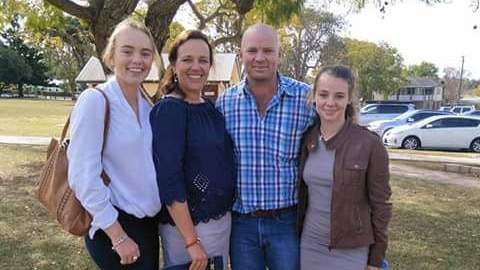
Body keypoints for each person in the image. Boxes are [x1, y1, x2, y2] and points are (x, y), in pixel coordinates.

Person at [215, 24, 316, 270]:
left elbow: (336, 139)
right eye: (252, 50)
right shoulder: (225, 103)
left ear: (280, 55)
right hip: (242, 224)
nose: (259, 58)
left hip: (287, 222)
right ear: (240, 55)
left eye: (268, 51)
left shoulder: (306, 99)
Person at [67, 18, 162, 269]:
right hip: (115, 227)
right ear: (111, 56)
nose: (137, 60)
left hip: (147, 226)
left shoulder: (148, 105)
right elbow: (82, 176)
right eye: (127, 51)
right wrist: (118, 236)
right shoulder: (96, 101)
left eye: (145, 53)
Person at [150, 30, 236, 270]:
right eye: (187, 59)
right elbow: (169, 179)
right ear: (174, 66)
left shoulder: (209, 107)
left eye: (203, 60)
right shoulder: (169, 110)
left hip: (220, 223)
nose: (196, 67)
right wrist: (191, 241)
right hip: (188, 229)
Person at [297, 65, 392, 270]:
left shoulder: (369, 144)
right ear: (314, 96)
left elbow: (382, 206)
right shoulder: (307, 139)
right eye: (323, 94)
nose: (330, 102)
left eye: (339, 96)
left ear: (349, 99)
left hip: (351, 249)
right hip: (310, 244)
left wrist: (375, 259)